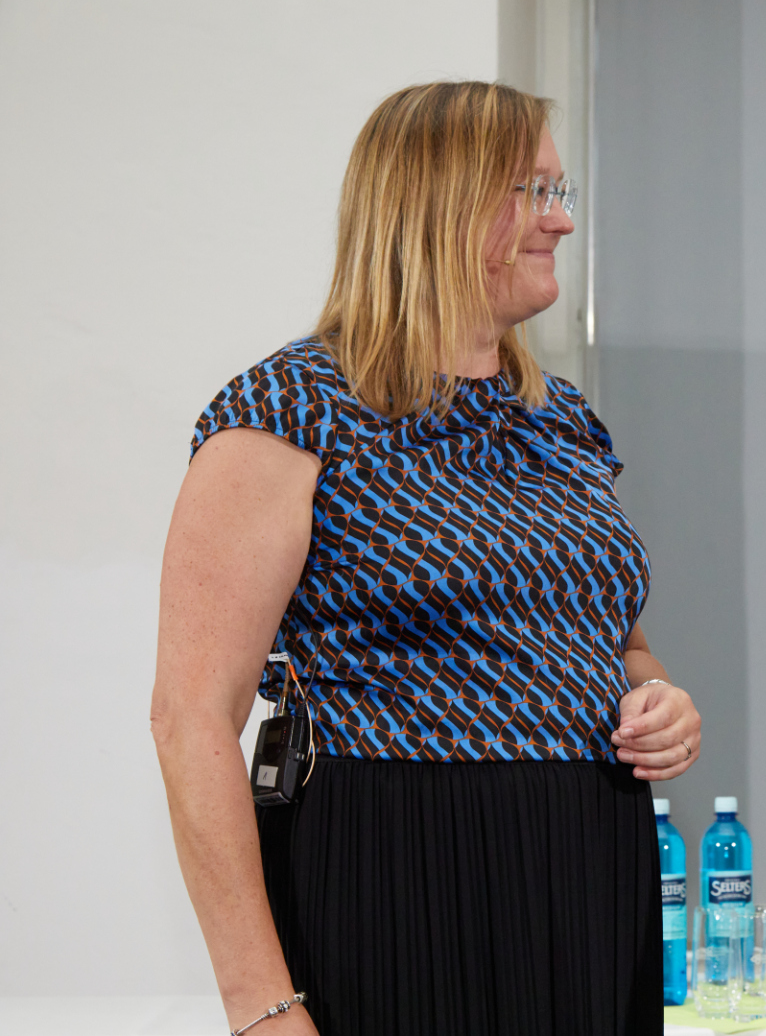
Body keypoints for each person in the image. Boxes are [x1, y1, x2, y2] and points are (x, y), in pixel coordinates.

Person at [150, 81, 701, 1036]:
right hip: (396, 879)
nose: (562, 220)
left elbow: (616, 646)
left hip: (588, 875)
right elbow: (190, 719)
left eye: (560, 191)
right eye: (534, 191)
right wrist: (260, 1008)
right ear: (436, 205)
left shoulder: (563, 422)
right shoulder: (290, 412)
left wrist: (660, 700)